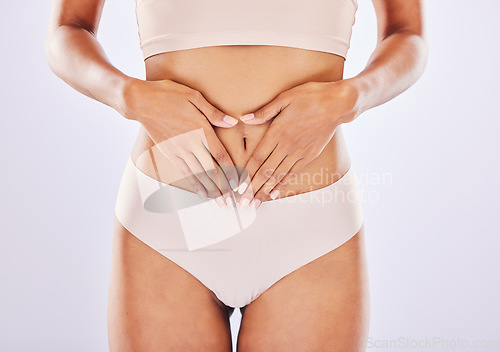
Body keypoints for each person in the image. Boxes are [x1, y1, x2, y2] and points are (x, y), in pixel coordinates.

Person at [45, 0, 428, 350]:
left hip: (311, 227)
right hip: (168, 220)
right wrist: (128, 95)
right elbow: (68, 29)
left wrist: (352, 97)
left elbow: (407, 32)